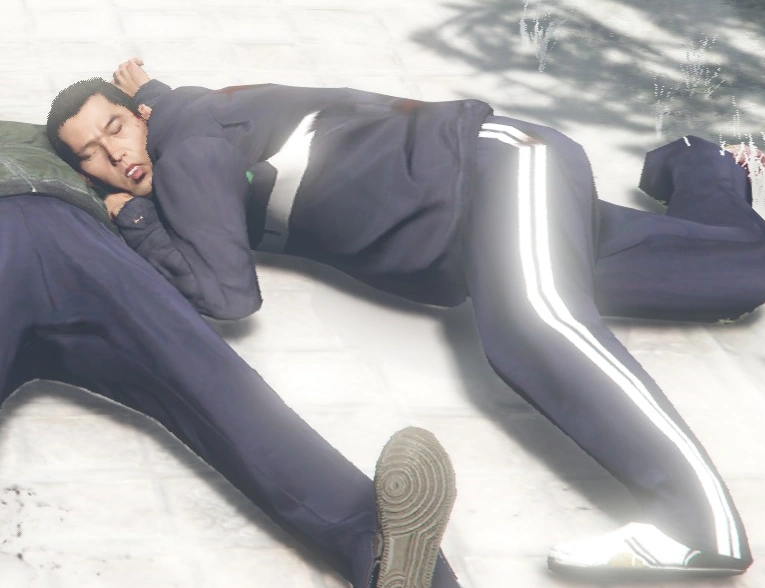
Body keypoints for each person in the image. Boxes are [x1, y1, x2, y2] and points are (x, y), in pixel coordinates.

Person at [47, 58, 765, 578]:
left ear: (141, 116)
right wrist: (153, 110)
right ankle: (703, 163)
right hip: (476, 222)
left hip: (494, 175)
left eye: (116, 129)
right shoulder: (190, 120)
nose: (116, 156)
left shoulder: (186, 149)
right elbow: (196, 130)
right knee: (735, 274)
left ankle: (697, 527)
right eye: (93, 157)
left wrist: (133, 219)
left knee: (531, 325)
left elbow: (227, 294)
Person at [0, 118, 460, 588]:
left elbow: (176, 157)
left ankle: (390, 562)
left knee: (224, 392)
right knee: (223, 395)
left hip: (80, 236)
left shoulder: (63, 135)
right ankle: (378, 549)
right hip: (45, 236)